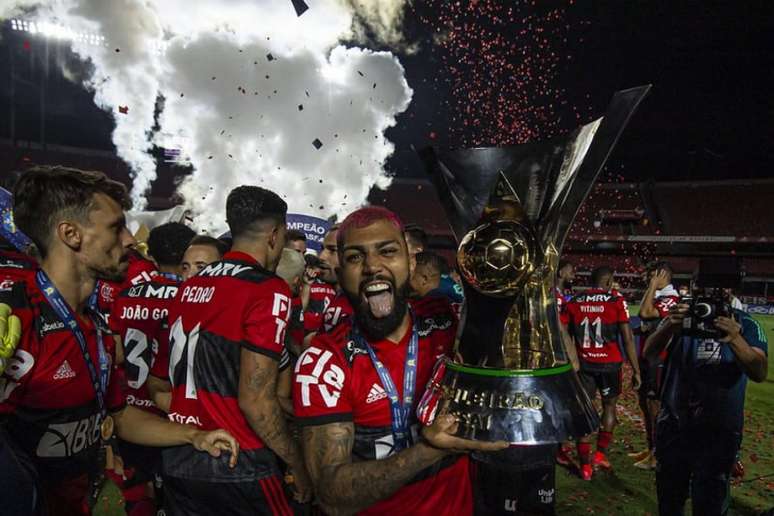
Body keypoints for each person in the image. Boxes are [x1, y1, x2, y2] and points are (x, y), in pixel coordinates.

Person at [0, 166, 238, 515]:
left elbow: (122, 416)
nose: (130, 239)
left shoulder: (95, 323)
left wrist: (193, 436)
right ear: (71, 234)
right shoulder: (16, 313)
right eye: (116, 227)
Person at [293, 206, 507, 515]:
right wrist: (428, 450)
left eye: (387, 251)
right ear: (340, 274)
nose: (372, 267)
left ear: (410, 261)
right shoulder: (324, 363)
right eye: (355, 257)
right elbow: (331, 495)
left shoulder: (447, 323)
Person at [162, 185, 311, 515]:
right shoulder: (267, 289)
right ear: (274, 235)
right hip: (238, 461)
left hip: (182, 454)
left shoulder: (191, 286)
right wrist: (296, 462)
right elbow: (256, 400)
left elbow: (162, 384)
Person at [644, 282, 767, 516]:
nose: (710, 296)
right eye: (704, 290)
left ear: (730, 292)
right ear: (694, 290)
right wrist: (669, 325)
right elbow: (649, 353)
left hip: (718, 431)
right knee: (670, 503)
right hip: (674, 426)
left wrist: (735, 338)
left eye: (718, 291)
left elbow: (760, 371)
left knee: (710, 504)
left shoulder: (745, 323)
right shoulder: (681, 317)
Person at [109, 221, 194, 514]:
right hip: (175, 415)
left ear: (153, 258)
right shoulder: (191, 299)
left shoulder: (126, 295)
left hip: (130, 411)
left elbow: (116, 352)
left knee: (138, 492)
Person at [565, 266, 641, 481]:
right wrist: (636, 370)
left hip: (584, 365)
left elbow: (566, 334)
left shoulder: (575, 301)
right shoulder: (615, 301)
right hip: (610, 365)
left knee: (585, 410)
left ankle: (585, 467)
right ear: (608, 282)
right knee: (609, 406)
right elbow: (627, 339)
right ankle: (599, 455)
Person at [631, 261, 679, 470]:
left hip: (660, 360)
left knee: (654, 407)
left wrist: (652, 286)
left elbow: (645, 313)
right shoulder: (659, 297)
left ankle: (657, 455)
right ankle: (651, 447)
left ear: (662, 275)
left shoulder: (671, 299)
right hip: (648, 358)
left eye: (652, 276)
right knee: (645, 404)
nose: (647, 279)